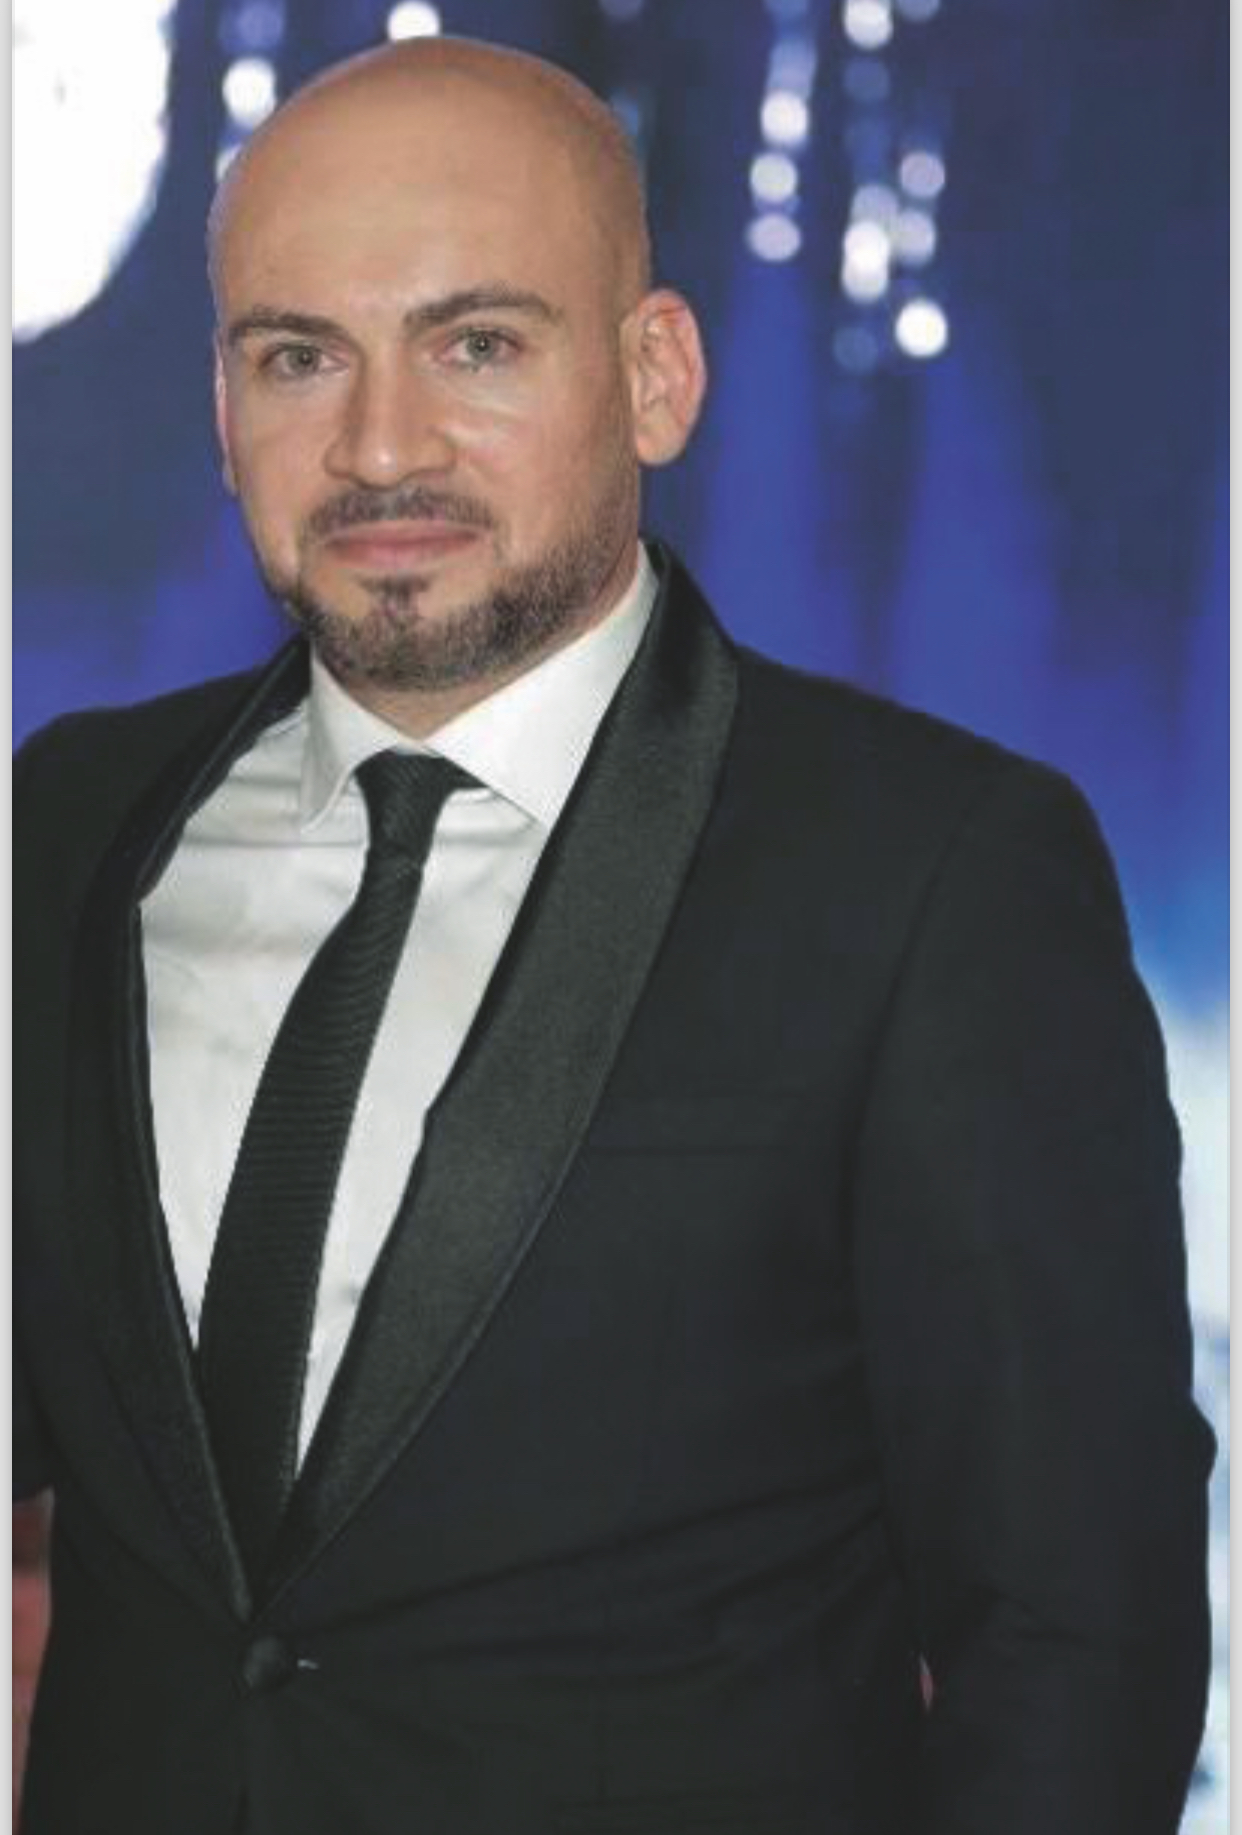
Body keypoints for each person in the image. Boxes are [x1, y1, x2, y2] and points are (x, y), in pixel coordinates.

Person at [13, 35, 1213, 1835]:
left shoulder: (935, 873)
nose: (380, 446)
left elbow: (1074, 1631)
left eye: (476, 345)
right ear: (219, 401)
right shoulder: (67, 823)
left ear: (656, 377)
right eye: (298, 356)